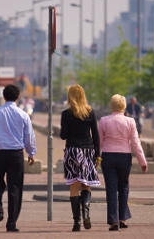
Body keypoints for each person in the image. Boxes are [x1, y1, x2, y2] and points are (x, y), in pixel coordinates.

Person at [0, 84, 36, 232]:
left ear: (4, 97)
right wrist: (31, 153)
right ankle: (11, 223)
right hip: (15, 154)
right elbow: (29, 136)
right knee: (15, 188)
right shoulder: (23, 114)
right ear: (18, 97)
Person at [99, 94, 148, 231]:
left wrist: (96, 158)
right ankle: (123, 218)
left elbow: (99, 143)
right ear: (124, 106)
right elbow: (136, 143)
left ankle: (113, 221)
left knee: (111, 188)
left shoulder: (103, 120)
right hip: (124, 157)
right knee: (123, 187)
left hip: (108, 156)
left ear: (111, 105)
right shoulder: (130, 121)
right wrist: (142, 161)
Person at [60, 84, 101, 232]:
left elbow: (63, 135)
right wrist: (98, 155)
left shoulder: (66, 114)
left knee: (73, 186)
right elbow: (95, 135)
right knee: (86, 184)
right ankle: (86, 213)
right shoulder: (90, 112)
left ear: (70, 97)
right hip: (87, 151)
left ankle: (76, 223)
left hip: (72, 151)